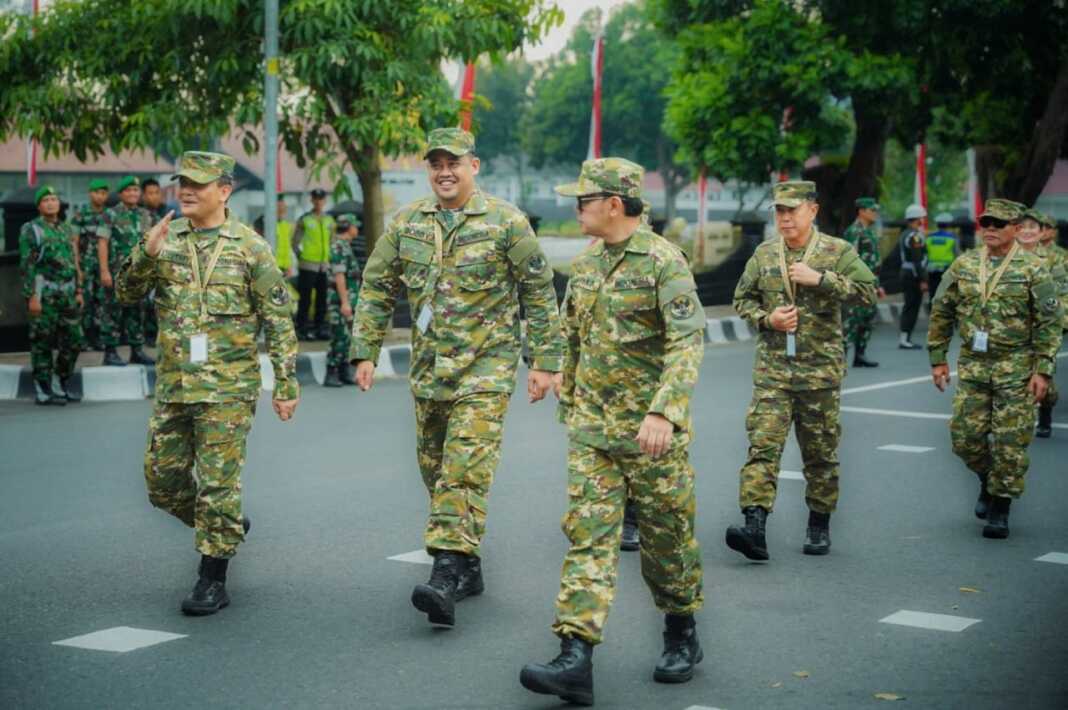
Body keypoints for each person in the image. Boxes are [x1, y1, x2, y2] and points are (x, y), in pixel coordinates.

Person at [349, 127, 564, 628]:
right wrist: (365, 349)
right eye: (436, 164)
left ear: (475, 166)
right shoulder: (408, 222)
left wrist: (544, 361)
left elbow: (538, 291)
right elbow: (378, 284)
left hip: (486, 370)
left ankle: (444, 572)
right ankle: (468, 567)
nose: (445, 172)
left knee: (463, 467)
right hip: (429, 371)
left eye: (455, 163)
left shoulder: (506, 222)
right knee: (437, 471)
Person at [519, 158, 706, 705]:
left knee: (666, 544)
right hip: (594, 433)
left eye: (584, 200)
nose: (577, 209)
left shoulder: (663, 263)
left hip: (653, 438)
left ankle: (682, 633)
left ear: (615, 204)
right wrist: (558, 377)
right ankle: (575, 655)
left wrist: (663, 412)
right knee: (589, 538)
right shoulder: (585, 266)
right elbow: (570, 333)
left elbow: (687, 342)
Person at [116, 151, 300, 614]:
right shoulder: (165, 239)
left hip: (228, 391)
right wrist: (145, 253)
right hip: (175, 385)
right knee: (161, 482)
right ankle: (225, 524)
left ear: (224, 190)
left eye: (198, 183)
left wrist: (285, 382)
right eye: (183, 182)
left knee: (219, 484)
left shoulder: (249, 247)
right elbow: (124, 292)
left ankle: (212, 577)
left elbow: (277, 318)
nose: (188, 191)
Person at [726, 181, 877, 560]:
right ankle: (754, 527)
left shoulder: (836, 251)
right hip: (773, 372)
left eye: (792, 210)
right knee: (763, 447)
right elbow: (742, 299)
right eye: (779, 211)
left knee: (820, 453)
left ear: (813, 209)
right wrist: (767, 318)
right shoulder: (763, 254)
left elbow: (868, 292)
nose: (785, 217)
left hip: (819, 374)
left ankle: (818, 523)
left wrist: (821, 280)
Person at [927, 198, 1061, 539]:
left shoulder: (1033, 268)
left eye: (998, 224)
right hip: (973, 365)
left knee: (1010, 442)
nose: (989, 228)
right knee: (964, 438)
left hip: (1016, 365)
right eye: (985, 222)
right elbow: (941, 310)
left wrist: (1043, 370)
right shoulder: (965, 265)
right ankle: (988, 479)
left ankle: (1001, 506)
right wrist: (938, 358)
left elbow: (1049, 321)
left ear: (1015, 229)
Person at [19, 186, 84, 405]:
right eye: (46, 199)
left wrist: (78, 289)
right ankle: (43, 388)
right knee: (42, 342)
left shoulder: (66, 229)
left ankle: (61, 381)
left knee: (75, 339)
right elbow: (27, 265)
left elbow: (74, 260)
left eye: (54, 199)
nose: (50, 202)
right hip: (43, 293)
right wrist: (31, 297)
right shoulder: (31, 229)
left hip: (67, 293)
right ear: (39, 205)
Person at [1018, 209, 1068, 438]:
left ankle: (1045, 413)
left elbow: (1063, 295)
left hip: (1043, 329)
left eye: (1033, 227)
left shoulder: (1053, 259)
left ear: (1042, 232)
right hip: (1011, 331)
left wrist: (1059, 320)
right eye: (1023, 227)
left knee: (1043, 378)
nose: (1027, 232)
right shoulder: (1005, 256)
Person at [99, 175, 155, 366]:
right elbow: (102, 242)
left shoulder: (146, 215)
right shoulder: (110, 214)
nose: (133, 193)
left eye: (135, 190)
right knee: (113, 312)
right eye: (128, 190)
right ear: (121, 194)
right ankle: (110, 352)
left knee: (137, 312)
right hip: (117, 272)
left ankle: (137, 351)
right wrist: (104, 271)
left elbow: (152, 242)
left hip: (138, 274)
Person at [842, 197, 884, 367]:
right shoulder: (854, 231)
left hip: (871, 282)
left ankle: (860, 355)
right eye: (871, 210)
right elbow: (850, 260)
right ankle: (840, 358)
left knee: (868, 319)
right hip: (857, 283)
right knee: (850, 321)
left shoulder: (871, 231)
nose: (875, 213)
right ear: (861, 211)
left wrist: (877, 285)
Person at [69, 179, 111, 350]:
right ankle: (83, 340)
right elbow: (74, 243)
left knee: (103, 302)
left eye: (103, 193)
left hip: (104, 266)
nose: (100, 196)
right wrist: (77, 267)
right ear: (90, 193)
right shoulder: (80, 215)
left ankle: (100, 339)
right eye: (96, 192)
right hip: (86, 266)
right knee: (85, 304)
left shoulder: (110, 215)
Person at [324, 214, 362, 387]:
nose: (358, 229)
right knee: (340, 337)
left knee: (348, 338)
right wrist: (345, 302)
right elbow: (339, 277)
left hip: (349, 300)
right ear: (349, 227)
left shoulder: (345, 245)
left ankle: (344, 370)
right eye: (355, 225)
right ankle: (331, 371)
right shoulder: (338, 246)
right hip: (339, 302)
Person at [292, 188, 334, 340]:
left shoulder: (329, 220)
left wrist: (330, 259)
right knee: (306, 299)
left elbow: (332, 240)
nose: (318, 202)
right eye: (315, 199)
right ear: (312, 200)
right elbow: (295, 241)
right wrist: (301, 257)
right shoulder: (304, 219)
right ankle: (302, 329)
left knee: (322, 299)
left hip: (324, 265)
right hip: (308, 265)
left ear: (324, 201)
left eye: (321, 199)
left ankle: (320, 328)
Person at [897, 204, 928, 349]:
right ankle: (904, 339)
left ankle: (905, 338)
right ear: (917, 219)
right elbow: (917, 260)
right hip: (912, 275)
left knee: (910, 306)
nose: (923, 220)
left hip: (908, 273)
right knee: (911, 307)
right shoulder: (914, 236)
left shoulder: (906, 233)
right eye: (922, 217)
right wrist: (922, 280)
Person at [925, 212, 959, 307]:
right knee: (946, 293)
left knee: (933, 291)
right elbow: (957, 254)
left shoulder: (929, 237)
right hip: (946, 270)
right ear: (949, 225)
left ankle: (933, 309)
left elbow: (925, 254)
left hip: (932, 269)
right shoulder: (952, 238)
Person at [274, 196, 295, 279]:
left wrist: (289, 266)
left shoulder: (286, 225)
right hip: (271, 267)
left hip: (284, 268)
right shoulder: (267, 224)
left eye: (283, 207)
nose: (281, 210)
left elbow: (287, 248)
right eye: (279, 207)